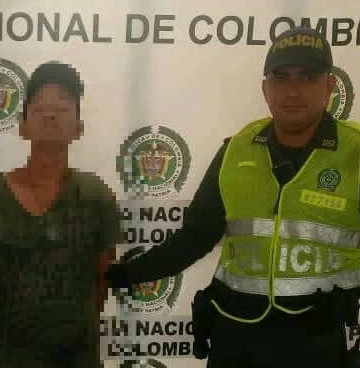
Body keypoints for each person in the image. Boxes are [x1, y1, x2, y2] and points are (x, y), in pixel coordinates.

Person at [106, 26, 360, 368]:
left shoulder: (355, 152)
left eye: (308, 77)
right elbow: (195, 237)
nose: (292, 90)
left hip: (319, 344)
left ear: (329, 86)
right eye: (281, 77)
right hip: (236, 338)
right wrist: (120, 275)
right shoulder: (237, 149)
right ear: (265, 88)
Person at [0, 62, 122, 368]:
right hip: (11, 358)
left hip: (78, 358)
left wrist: (70, 330)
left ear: (79, 127)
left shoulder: (96, 195)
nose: (51, 115)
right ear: (23, 126)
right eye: (40, 108)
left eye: (62, 107)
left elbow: (103, 276)